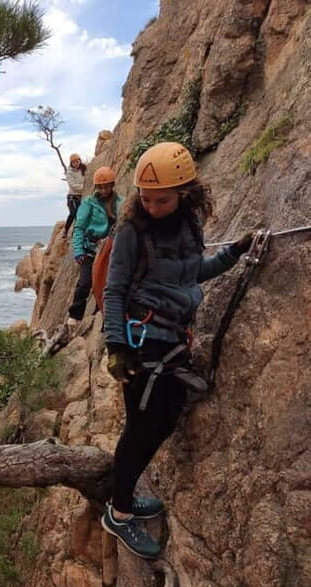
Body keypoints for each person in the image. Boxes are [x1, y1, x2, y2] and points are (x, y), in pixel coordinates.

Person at [100, 142, 254, 558]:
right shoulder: (132, 230)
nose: (150, 205)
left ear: (184, 192)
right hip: (141, 342)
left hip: (173, 339)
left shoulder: (189, 226)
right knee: (142, 427)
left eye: (161, 199)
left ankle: (124, 496)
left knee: (162, 420)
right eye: (145, 198)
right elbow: (114, 291)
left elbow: (191, 275)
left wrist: (233, 256)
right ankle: (119, 513)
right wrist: (116, 346)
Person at [67, 166, 122, 327]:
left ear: (112, 185)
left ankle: (101, 313)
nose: (104, 190)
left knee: (107, 283)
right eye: (101, 186)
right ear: (96, 187)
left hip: (110, 249)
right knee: (85, 282)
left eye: (107, 186)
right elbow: (79, 228)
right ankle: (75, 315)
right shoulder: (89, 204)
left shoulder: (120, 202)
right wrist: (78, 250)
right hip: (90, 249)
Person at [63, 153, 86, 238]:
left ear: (80, 160)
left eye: (77, 161)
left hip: (81, 196)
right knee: (73, 214)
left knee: (80, 215)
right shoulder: (69, 172)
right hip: (72, 196)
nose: (76, 163)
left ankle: (78, 232)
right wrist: (84, 188)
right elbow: (73, 185)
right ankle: (66, 230)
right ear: (71, 163)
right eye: (74, 162)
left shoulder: (84, 168)